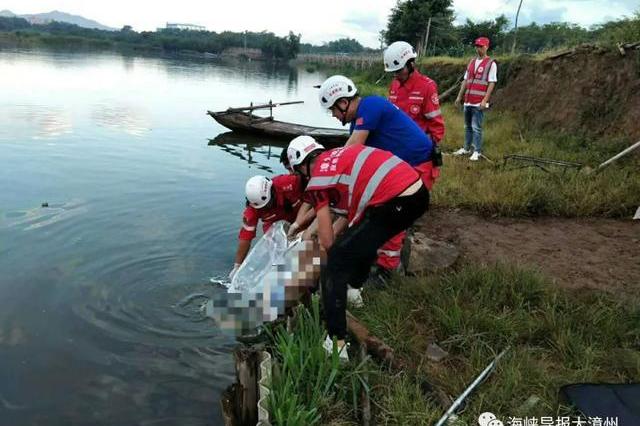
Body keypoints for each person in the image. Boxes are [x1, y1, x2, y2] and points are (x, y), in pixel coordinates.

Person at [287, 138, 429, 359]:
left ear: (301, 166)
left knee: (334, 263)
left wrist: (324, 262)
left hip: (395, 200)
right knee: (362, 242)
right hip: (418, 193)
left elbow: (326, 240)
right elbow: (346, 220)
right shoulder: (339, 156)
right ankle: (353, 293)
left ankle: (337, 343)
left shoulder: (318, 178)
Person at [318, 74, 433, 276]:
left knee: (389, 215)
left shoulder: (370, 106)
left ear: (344, 102)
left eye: (333, 110)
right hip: (403, 166)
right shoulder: (358, 121)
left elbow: (348, 154)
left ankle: (387, 271)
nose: (334, 116)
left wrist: (323, 183)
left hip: (418, 165)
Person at [230, 174, 304, 280]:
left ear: (272, 191)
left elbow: (311, 194)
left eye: (267, 204)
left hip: (301, 216)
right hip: (275, 225)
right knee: (276, 252)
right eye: (262, 207)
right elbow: (245, 238)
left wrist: (299, 224)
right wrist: (237, 265)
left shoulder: (289, 182)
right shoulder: (253, 209)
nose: (265, 208)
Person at [384, 41, 445, 146]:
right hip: (395, 144)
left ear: (411, 64)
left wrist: (424, 145)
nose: (395, 75)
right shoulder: (394, 85)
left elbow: (437, 127)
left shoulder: (427, 86)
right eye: (393, 72)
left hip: (416, 147)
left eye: (398, 71)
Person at [453, 36, 498, 161]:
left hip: (479, 101)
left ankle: (477, 151)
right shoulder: (472, 62)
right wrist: (459, 97)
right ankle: (466, 148)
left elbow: (492, 82)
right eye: (477, 46)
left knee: (476, 127)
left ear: (486, 47)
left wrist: (485, 100)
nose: (478, 49)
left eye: (481, 46)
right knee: (467, 126)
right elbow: (465, 80)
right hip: (468, 100)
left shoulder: (491, 63)